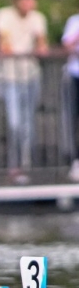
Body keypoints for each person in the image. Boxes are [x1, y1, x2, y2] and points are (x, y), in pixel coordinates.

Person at [0, 0, 48, 185]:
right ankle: (14, 166)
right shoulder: (4, 15)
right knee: (15, 122)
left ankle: (25, 165)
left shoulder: (38, 18)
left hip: (31, 76)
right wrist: (16, 52)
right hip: (9, 77)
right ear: (16, 0)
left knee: (28, 123)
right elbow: (4, 41)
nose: (27, 3)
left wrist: (39, 48)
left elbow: (42, 42)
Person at [61, 10, 79, 181]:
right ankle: (76, 161)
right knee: (74, 120)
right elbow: (68, 45)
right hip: (76, 76)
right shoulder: (74, 21)